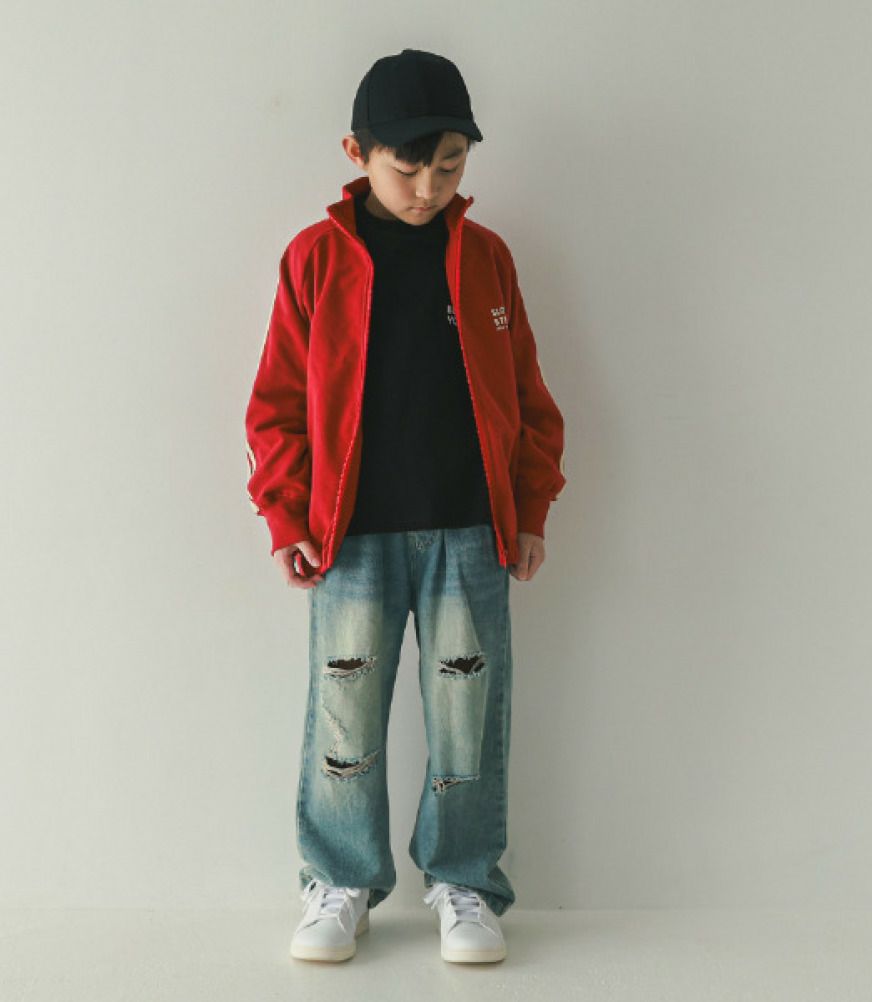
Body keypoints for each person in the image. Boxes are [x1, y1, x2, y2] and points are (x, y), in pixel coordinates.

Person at [244, 48, 566, 964]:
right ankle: (340, 880)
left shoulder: (487, 257)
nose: (429, 188)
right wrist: (287, 515)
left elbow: (529, 396)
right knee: (344, 713)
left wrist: (530, 506)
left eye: (450, 166)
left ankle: (464, 880)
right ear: (358, 152)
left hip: (471, 529)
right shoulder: (316, 259)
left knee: (468, 712)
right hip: (349, 536)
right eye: (408, 166)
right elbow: (275, 405)